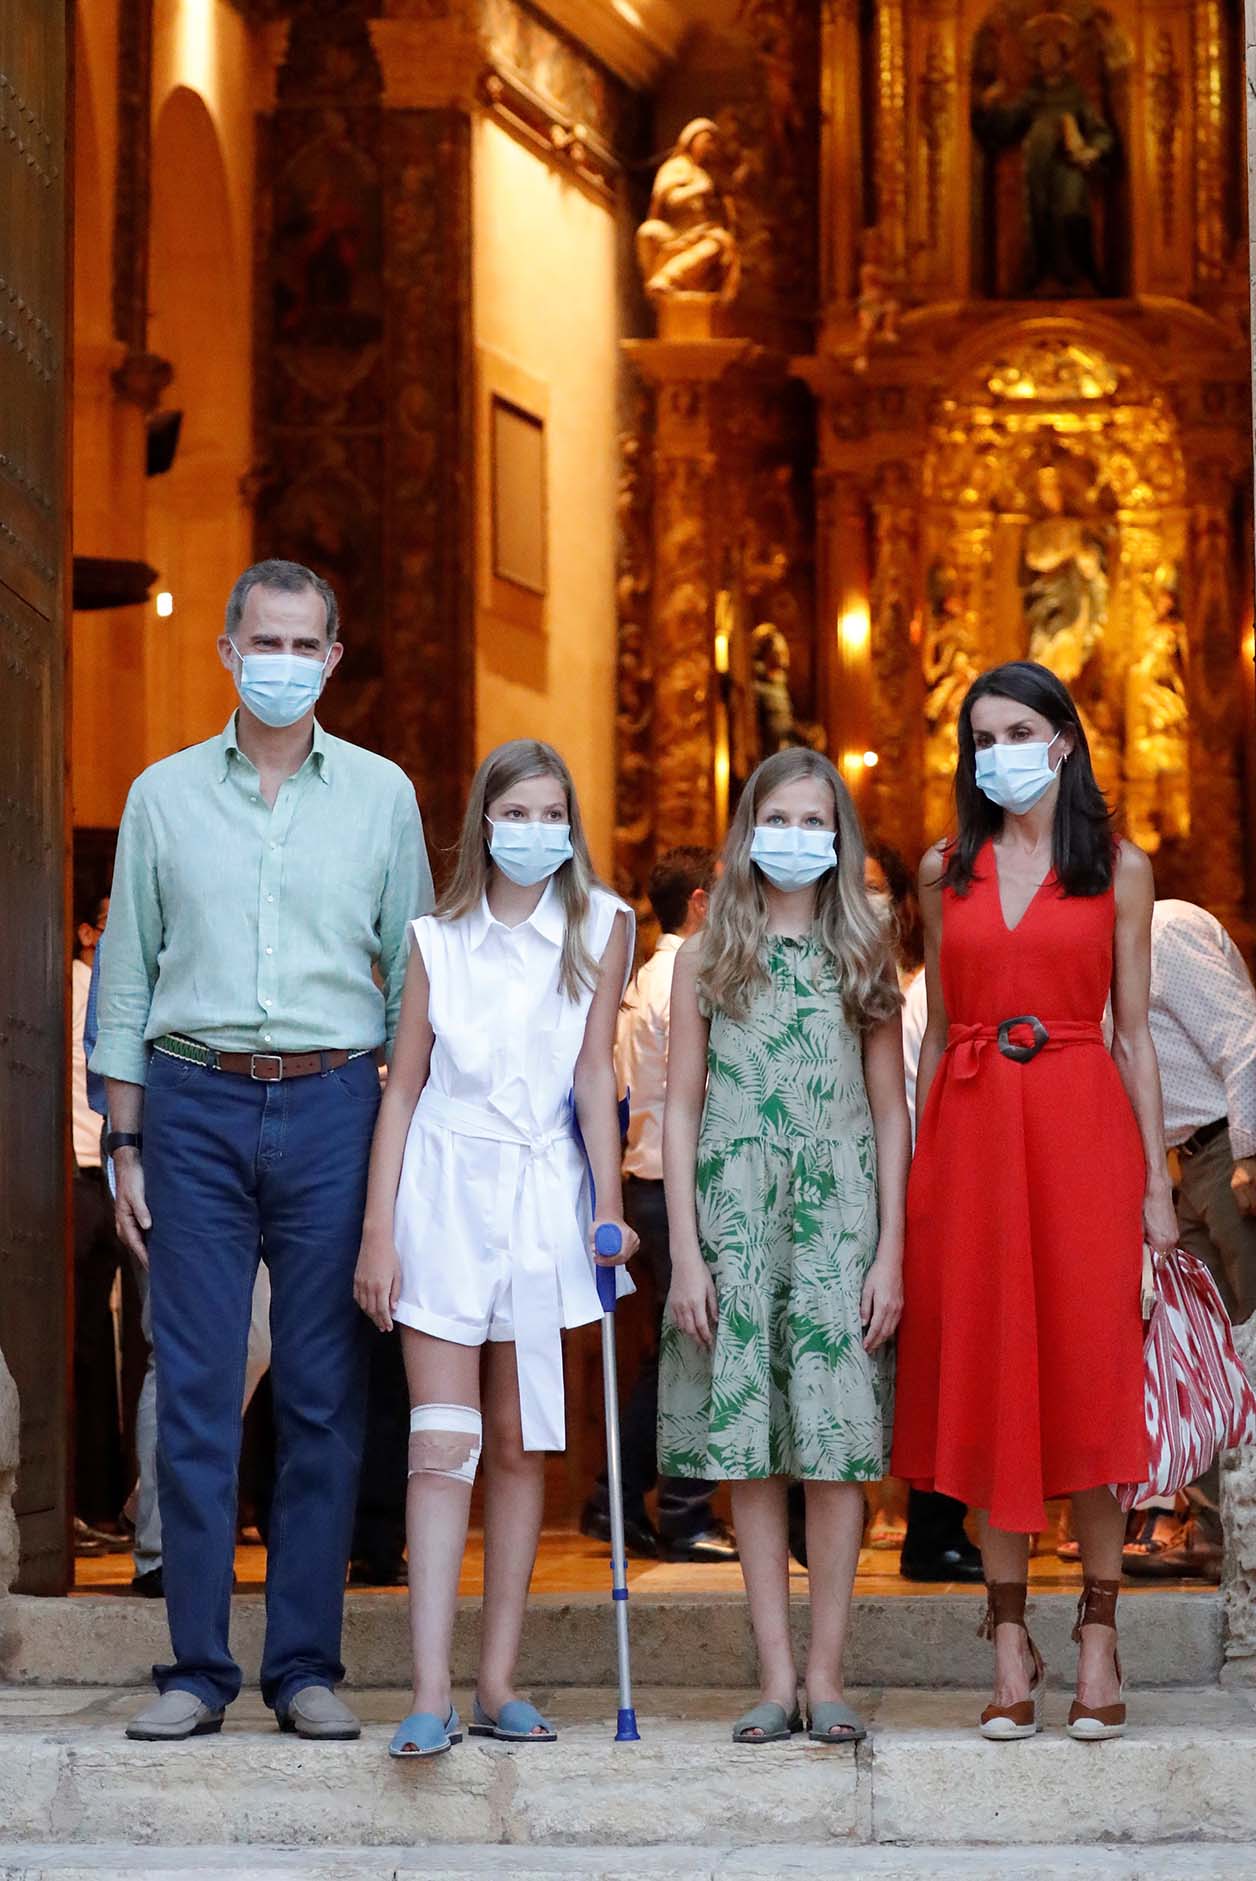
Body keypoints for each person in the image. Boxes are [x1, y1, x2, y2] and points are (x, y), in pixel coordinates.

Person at [92, 558, 431, 1741]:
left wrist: (398, 1144)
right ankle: (195, 1666)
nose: (282, 664)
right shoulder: (163, 795)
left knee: (327, 1394)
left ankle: (303, 1664)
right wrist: (120, 1139)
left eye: (306, 646)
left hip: (335, 1101)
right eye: (263, 643)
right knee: (192, 1388)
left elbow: (413, 986)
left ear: (332, 659)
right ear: (228, 651)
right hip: (189, 1103)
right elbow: (127, 974)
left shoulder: (383, 797)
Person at [893, 660, 1176, 1743]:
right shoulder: (940, 870)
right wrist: (917, 1172)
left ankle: (1097, 1633)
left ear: (1062, 738)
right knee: (984, 1377)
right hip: (967, 1138)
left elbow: (1136, 1031)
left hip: (1078, 1128)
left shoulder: (1119, 868)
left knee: (1083, 1373)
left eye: (1016, 730)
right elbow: (929, 1032)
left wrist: (1154, 1183)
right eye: (978, 737)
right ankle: (1007, 1635)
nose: (994, 752)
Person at [353, 738, 638, 1759]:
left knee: (519, 1446)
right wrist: (378, 1231)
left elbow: (596, 1081)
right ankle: (427, 1689)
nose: (534, 830)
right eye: (515, 812)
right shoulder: (436, 941)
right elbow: (400, 1090)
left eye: (551, 812)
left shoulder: (603, 928)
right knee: (443, 1441)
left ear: (571, 826)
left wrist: (608, 1206)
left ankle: (495, 1680)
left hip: (542, 1200)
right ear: (483, 821)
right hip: (441, 1189)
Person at [659, 747, 909, 1746]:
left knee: (835, 1454)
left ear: (837, 837)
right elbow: (677, 1107)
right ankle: (771, 1676)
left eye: (816, 822)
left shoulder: (865, 952)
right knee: (752, 1451)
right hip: (733, 1220)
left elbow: (892, 1113)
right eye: (780, 819)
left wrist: (889, 1249)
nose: (796, 839)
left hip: (836, 1220)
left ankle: (827, 1674)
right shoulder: (705, 959)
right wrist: (683, 1247)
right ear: (745, 830)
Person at [580, 846, 736, 1564]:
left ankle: (615, 1495)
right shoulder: (682, 974)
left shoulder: (650, 971)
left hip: (653, 1180)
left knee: (672, 1353)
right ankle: (684, 1507)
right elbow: (697, 1088)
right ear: (700, 902)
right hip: (679, 1182)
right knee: (698, 1347)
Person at [1122, 898, 1256, 1584]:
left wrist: (1252, 1153)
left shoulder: (1165, 929)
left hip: (1226, 1151)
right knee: (1200, 1348)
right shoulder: (1109, 952)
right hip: (1184, 1167)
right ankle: (1208, 1529)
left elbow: (1244, 1037)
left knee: (1251, 1332)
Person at [865, 843, 982, 1586]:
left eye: (880, 890)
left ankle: (937, 1524)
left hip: (919, 1184)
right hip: (897, 1188)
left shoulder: (907, 993)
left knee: (939, 1357)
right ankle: (927, 1524)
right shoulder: (913, 1002)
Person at [70, 890, 131, 1552]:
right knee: (83, 1343)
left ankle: (111, 1504)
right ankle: (82, 1503)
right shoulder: (67, 990)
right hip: (81, 1177)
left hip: (119, 1172)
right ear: (87, 931)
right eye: (110, 921)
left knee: (129, 1344)